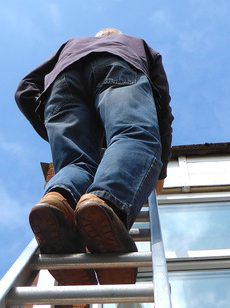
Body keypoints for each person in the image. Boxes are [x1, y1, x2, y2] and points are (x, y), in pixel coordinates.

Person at [15, 28, 173, 286]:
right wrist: (161, 167)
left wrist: (54, 127)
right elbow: (161, 103)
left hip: (62, 84)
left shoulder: (71, 45)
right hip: (120, 68)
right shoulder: (137, 45)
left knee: (76, 161)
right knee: (133, 137)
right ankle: (105, 204)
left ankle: (58, 202)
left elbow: (24, 90)